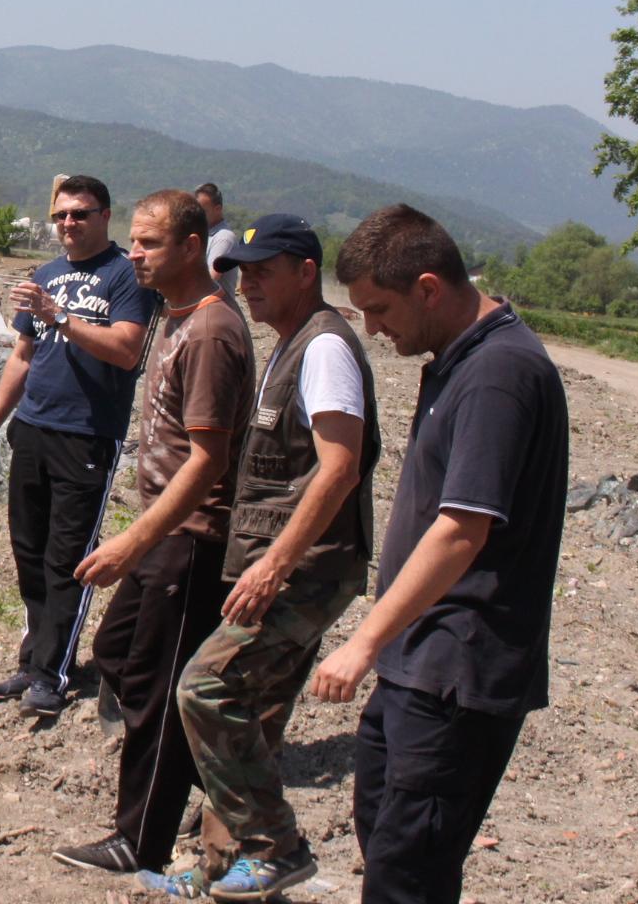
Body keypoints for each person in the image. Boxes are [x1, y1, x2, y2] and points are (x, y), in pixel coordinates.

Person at [309, 205, 568, 904]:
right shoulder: (460, 360)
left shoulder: (497, 375)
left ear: (428, 287)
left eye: (379, 308)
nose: (372, 327)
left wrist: (362, 643)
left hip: (460, 663)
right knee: (387, 837)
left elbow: (461, 531)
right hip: (418, 656)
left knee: (409, 867)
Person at [158, 214, 382, 900]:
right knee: (252, 719)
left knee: (205, 690)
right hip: (288, 561)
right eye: (242, 273)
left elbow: (339, 466)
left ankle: (277, 847)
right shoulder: (291, 345)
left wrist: (274, 564)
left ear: (306, 272)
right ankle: (221, 873)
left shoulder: (322, 349)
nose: (248, 285)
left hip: (305, 569)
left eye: (264, 271)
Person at [52, 190, 255, 877]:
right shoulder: (177, 317)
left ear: (192, 247)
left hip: (188, 538)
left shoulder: (211, 332)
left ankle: (141, 839)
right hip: (161, 531)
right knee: (119, 657)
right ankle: (212, 773)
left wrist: (134, 541)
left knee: (161, 691)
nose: (133, 254)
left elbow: (209, 459)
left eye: (149, 244)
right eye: (133, 242)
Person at [0, 174, 157, 718]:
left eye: (80, 214)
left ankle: (54, 673)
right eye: (61, 216)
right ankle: (34, 661)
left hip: (86, 434)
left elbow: (127, 351)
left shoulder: (126, 275)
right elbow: (23, 357)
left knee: (67, 557)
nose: (69, 224)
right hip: (33, 426)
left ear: (105, 216)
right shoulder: (47, 274)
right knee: (29, 552)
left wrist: (60, 316)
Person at [196, 184, 238, 299]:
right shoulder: (203, 235)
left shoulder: (224, 238)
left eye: (203, 211)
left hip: (218, 309)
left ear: (218, 209)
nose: (198, 216)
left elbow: (211, 277)